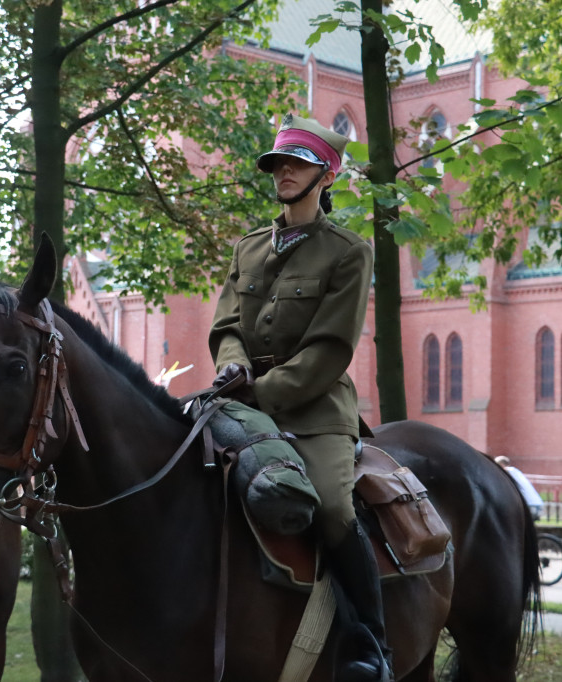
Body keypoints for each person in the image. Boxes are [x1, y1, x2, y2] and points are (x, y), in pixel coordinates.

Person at [209, 114, 389, 682]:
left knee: (334, 509)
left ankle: (369, 640)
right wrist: (233, 367)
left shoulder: (348, 252)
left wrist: (262, 392)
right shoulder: (248, 248)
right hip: (238, 398)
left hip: (314, 410)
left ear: (326, 175)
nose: (284, 173)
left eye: (298, 164)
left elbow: (329, 348)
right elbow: (227, 325)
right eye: (279, 164)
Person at [495, 455, 545, 521]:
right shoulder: (515, 472)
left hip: (529, 505)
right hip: (537, 504)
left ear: (501, 465)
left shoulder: (508, 471)